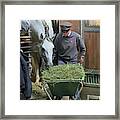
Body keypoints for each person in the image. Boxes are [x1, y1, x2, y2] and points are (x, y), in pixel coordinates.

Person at [53, 21, 86, 100]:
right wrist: (53, 61)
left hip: (73, 61)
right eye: (63, 32)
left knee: (73, 82)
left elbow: (82, 49)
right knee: (60, 81)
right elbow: (55, 50)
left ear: (69, 30)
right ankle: (58, 96)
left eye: (66, 32)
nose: (64, 34)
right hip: (61, 60)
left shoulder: (76, 37)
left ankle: (75, 98)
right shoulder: (58, 37)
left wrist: (81, 56)